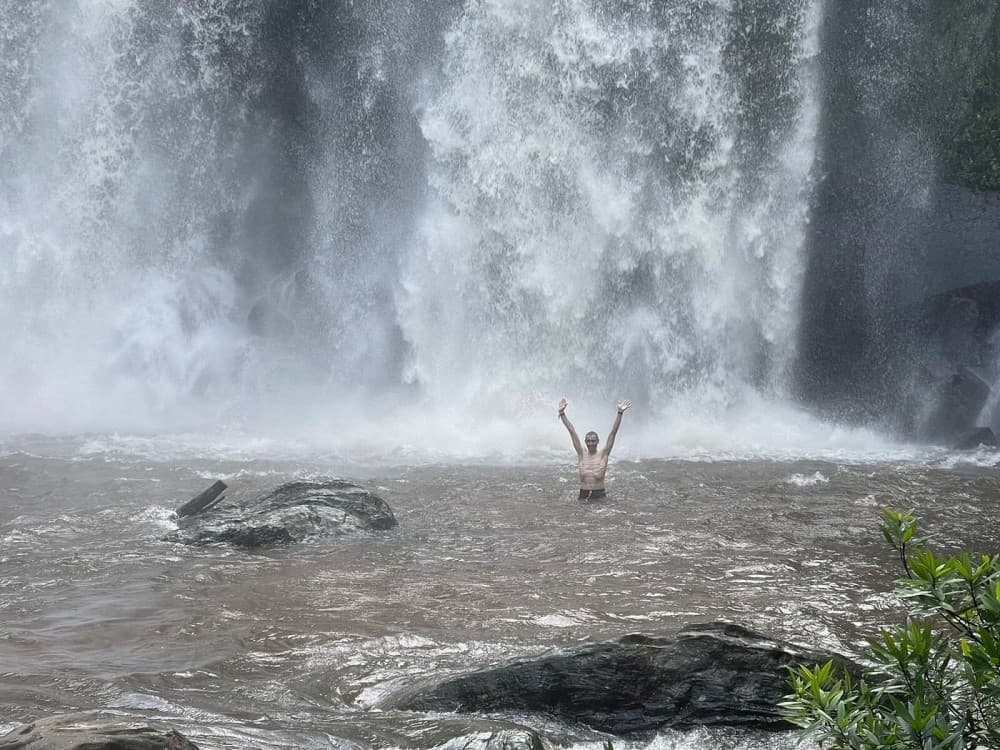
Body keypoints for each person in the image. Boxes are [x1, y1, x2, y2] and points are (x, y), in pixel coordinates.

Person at [558, 398, 632, 500]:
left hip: (599, 494)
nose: (591, 443)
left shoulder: (603, 454)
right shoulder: (581, 453)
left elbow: (613, 432)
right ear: (585, 442)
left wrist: (619, 413)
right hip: (583, 493)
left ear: (598, 441)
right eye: (588, 441)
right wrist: (562, 413)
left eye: (593, 441)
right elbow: (572, 431)